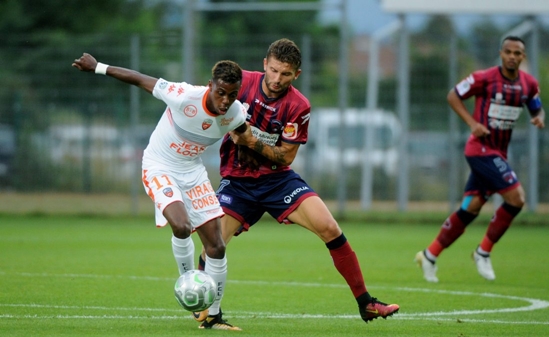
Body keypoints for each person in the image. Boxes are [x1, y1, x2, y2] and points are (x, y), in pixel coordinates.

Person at [196, 38, 399, 323]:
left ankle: (366, 302)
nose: (278, 79)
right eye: (274, 70)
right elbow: (211, 103)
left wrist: (251, 141)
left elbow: (286, 157)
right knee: (212, 245)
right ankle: (205, 309)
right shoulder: (241, 83)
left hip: (278, 181)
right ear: (265, 64)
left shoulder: (299, 106)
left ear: (297, 75)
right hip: (238, 181)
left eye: (286, 74)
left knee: (329, 227)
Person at [72, 53, 247, 330]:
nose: (225, 100)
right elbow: (140, 79)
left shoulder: (236, 112)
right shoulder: (184, 96)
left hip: (193, 171)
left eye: (232, 94)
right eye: (221, 93)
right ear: (210, 85)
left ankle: (213, 316)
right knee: (181, 226)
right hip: (159, 165)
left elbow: (242, 132)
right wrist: (98, 68)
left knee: (217, 246)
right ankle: (190, 286)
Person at [414, 36, 546, 283]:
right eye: (508, 52)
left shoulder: (528, 84)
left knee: (471, 207)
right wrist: (473, 124)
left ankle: (429, 255)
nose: (512, 57)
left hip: (499, 152)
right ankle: (483, 252)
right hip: (480, 149)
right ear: (501, 53)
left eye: (517, 53)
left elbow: (537, 107)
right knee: (517, 198)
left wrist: (539, 116)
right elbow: (453, 95)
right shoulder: (484, 78)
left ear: (523, 57)